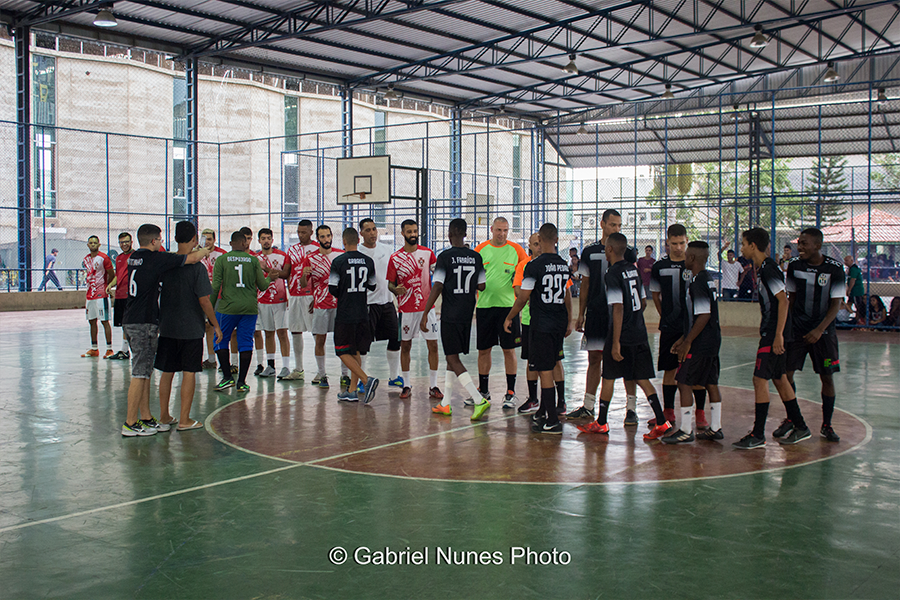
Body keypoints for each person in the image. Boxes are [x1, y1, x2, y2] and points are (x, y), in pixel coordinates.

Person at [577, 232, 669, 439]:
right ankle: (662, 421)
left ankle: (601, 422)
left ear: (609, 250)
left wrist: (616, 341)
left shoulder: (612, 274)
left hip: (621, 334)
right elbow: (643, 303)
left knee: (609, 375)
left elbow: (617, 308)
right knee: (641, 378)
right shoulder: (633, 270)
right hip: (639, 332)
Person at [121, 224, 209, 437]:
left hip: (131, 318)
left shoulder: (133, 258)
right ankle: (130, 423)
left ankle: (146, 417)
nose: (162, 243)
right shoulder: (156, 259)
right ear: (153, 241)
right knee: (140, 372)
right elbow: (190, 259)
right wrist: (205, 250)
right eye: (159, 240)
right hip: (144, 321)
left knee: (146, 372)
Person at [733, 227, 811, 449]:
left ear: (753, 246)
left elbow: (783, 301)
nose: (741, 248)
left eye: (743, 244)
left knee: (759, 379)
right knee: (780, 378)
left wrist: (778, 335)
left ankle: (758, 434)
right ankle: (801, 426)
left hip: (773, 333)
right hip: (774, 331)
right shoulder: (762, 268)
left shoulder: (768, 268)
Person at [567, 209, 640, 423]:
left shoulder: (628, 252)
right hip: (598, 313)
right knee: (594, 357)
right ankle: (588, 406)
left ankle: (632, 408)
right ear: (602, 224)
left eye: (619, 226)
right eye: (613, 225)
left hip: (621, 315)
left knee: (625, 359)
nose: (616, 229)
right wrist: (582, 313)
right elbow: (586, 282)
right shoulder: (589, 252)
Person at [504, 223, 573, 434]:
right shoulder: (564, 265)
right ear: (557, 240)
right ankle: (544, 410)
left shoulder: (534, 266)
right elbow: (567, 294)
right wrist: (570, 320)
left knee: (544, 369)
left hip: (541, 323)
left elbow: (522, 297)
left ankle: (552, 419)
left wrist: (509, 317)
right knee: (552, 364)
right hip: (559, 321)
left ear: (541, 241)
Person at [155, 221, 223, 432]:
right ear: (195, 239)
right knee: (189, 372)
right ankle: (184, 419)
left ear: (175, 238)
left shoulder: (166, 263)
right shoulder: (197, 268)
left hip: (167, 326)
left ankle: (164, 415)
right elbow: (205, 300)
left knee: (167, 371)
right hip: (191, 328)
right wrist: (216, 325)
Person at [783, 227, 845, 443]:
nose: (799, 247)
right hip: (797, 331)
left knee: (826, 377)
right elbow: (790, 298)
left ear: (818, 246)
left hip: (823, 333)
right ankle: (792, 418)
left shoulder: (835, 269)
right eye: (799, 243)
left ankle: (827, 425)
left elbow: (836, 303)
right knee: (786, 374)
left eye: (804, 243)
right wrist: (785, 327)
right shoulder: (794, 266)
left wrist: (819, 330)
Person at [420, 218, 486, 417]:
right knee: (453, 357)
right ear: (465, 233)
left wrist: (425, 312)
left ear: (450, 234)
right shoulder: (476, 257)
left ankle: (479, 399)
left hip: (450, 313)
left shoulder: (445, 257)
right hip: (467, 313)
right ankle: (446, 403)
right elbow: (482, 286)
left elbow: (438, 286)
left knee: (451, 358)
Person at [665, 241, 723, 443]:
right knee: (710, 381)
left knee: (683, 382)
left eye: (687, 254)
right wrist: (683, 337)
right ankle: (715, 427)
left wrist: (688, 341)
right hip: (713, 339)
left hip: (701, 341)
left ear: (691, 258)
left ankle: (685, 430)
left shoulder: (697, 282)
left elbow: (703, 315)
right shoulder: (708, 279)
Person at [650, 224, 706, 430]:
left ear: (687, 241)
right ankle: (668, 412)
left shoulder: (693, 265)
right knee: (669, 369)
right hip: (669, 326)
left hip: (692, 327)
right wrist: (664, 315)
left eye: (682, 243)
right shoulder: (659, 266)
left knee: (697, 371)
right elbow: (656, 294)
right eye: (674, 243)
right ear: (667, 243)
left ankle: (700, 414)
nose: (678, 247)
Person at [473, 217, 529, 408]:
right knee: (484, 350)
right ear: (491, 229)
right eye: (498, 230)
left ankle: (511, 393)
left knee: (509, 350)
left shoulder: (516, 250)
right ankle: (483, 391)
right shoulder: (480, 250)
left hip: (508, 310)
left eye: (505, 230)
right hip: (485, 308)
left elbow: (527, 269)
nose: (502, 234)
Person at [212, 231, 273, 393]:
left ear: (231, 243)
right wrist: (270, 278)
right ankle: (242, 382)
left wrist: (210, 310)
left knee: (220, 339)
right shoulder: (253, 260)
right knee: (246, 342)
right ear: (245, 244)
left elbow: (215, 286)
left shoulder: (222, 259)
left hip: (228, 308)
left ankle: (227, 378)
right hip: (249, 308)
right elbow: (262, 285)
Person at [387, 219, 440, 399]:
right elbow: (390, 285)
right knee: (405, 346)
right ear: (402, 233)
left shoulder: (428, 253)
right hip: (406, 309)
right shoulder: (395, 258)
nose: (413, 234)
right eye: (409, 231)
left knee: (433, 344)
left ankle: (434, 386)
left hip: (427, 309)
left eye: (415, 231)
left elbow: (438, 274)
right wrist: (395, 290)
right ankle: (407, 384)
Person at [328, 227, 379, 404]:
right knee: (355, 350)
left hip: (345, 313)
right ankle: (351, 391)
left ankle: (366, 380)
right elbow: (373, 285)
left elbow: (332, 288)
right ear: (358, 240)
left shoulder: (338, 261)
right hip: (362, 312)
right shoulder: (368, 261)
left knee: (341, 350)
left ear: (343, 241)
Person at [299, 225, 347, 389]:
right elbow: (303, 284)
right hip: (320, 305)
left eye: (328, 236)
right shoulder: (310, 258)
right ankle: (322, 374)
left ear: (332, 236)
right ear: (317, 238)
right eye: (322, 237)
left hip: (339, 304)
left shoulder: (340, 255)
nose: (326, 239)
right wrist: (304, 275)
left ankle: (345, 375)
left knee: (342, 340)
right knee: (320, 340)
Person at [358, 218, 402, 387]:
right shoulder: (358, 252)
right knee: (363, 344)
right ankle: (362, 378)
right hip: (368, 305)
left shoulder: (387, 250)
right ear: (361, 233)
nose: (372, 233)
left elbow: (394, 274)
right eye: (368, 230)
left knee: (395, 339)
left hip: (387, 302)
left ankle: (393, 376)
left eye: (374, 229)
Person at [282, 219, 319, 381]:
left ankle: (321, 370)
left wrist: (317, 296)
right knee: (295, 330)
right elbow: (286, 273)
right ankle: (298, 368)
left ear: (311, 232)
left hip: (311, 296)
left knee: (317, 332)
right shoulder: (292, 250)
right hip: (295, 296)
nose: (300, 235)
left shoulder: (318, 249)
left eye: (304, 232)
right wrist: (269, 270)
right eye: (298, 232)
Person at [254, 228, 292, 379]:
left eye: (268, 238)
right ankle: (270, 366)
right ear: (259, 241)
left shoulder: (282, 256)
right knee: (268, 332)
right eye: (263, 238)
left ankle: (286, 366)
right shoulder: (255, 258)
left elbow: (283, 274)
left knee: (282, 332)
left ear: (272, 240)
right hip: (262, 300)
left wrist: (267, 268)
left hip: (280, 299)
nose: (266, 241)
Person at [81, 235, 115, 358]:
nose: (93, 245)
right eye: (91, 243)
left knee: (104, 321)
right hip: (90, 295)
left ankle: (109, 349)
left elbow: (111, 274)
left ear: (99, 245)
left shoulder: (104, 258)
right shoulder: (86, 259)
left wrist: (107, 286)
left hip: (102, 295)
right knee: (91, 321)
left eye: (95, 243)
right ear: (88, 245)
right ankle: (94, 348)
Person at [199, 228, 226, 369]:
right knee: (205, 327)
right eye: (204, 239)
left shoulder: (222, 255)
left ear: (214, 240)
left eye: (209, 239)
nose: (207, 241)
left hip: (219, 296)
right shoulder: (196, 254)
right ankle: (210, 359)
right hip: (201, 296)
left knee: (218, 327)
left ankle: (224, 361)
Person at [105, 232, 134, 360]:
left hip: (132, 295)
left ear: (131, 241)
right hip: (120, 295)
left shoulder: (136, 255)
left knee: (132, 323)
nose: (124, 244)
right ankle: (124, 350)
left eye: (126, 241)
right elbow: (118, 275)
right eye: (122, 242)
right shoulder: (119, 258)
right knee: (124, 323)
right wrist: (110, 285)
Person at [844, 256, 866, 323]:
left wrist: (849, 289)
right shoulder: (850, 268)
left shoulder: (853, 269)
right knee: (849, 303)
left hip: (856, 291)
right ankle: (845, 317)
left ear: (851, 260)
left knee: (858, 306)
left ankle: (858, 319)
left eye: (847, 260)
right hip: (854, 291)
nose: (845, 262)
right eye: (845, 261)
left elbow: (853, 280)